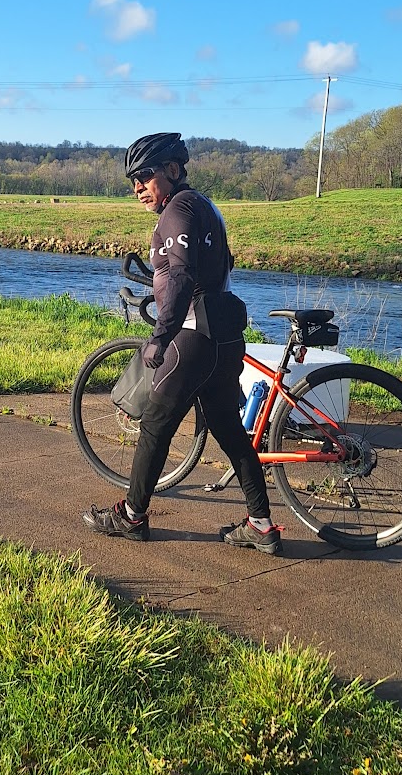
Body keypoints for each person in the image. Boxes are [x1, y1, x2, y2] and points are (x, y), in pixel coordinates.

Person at [83, 132, 283, 553]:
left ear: (172, 171)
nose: (137, 187)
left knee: (155, 426)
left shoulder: (177, 210)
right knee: (230, 430)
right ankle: (261, 525)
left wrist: (160, 335)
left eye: (144, 176)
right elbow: (212, 268)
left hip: (192, 338)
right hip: (225, 339)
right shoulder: (205, 206)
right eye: (132, 180)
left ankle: (131, 516)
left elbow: (179, 276)